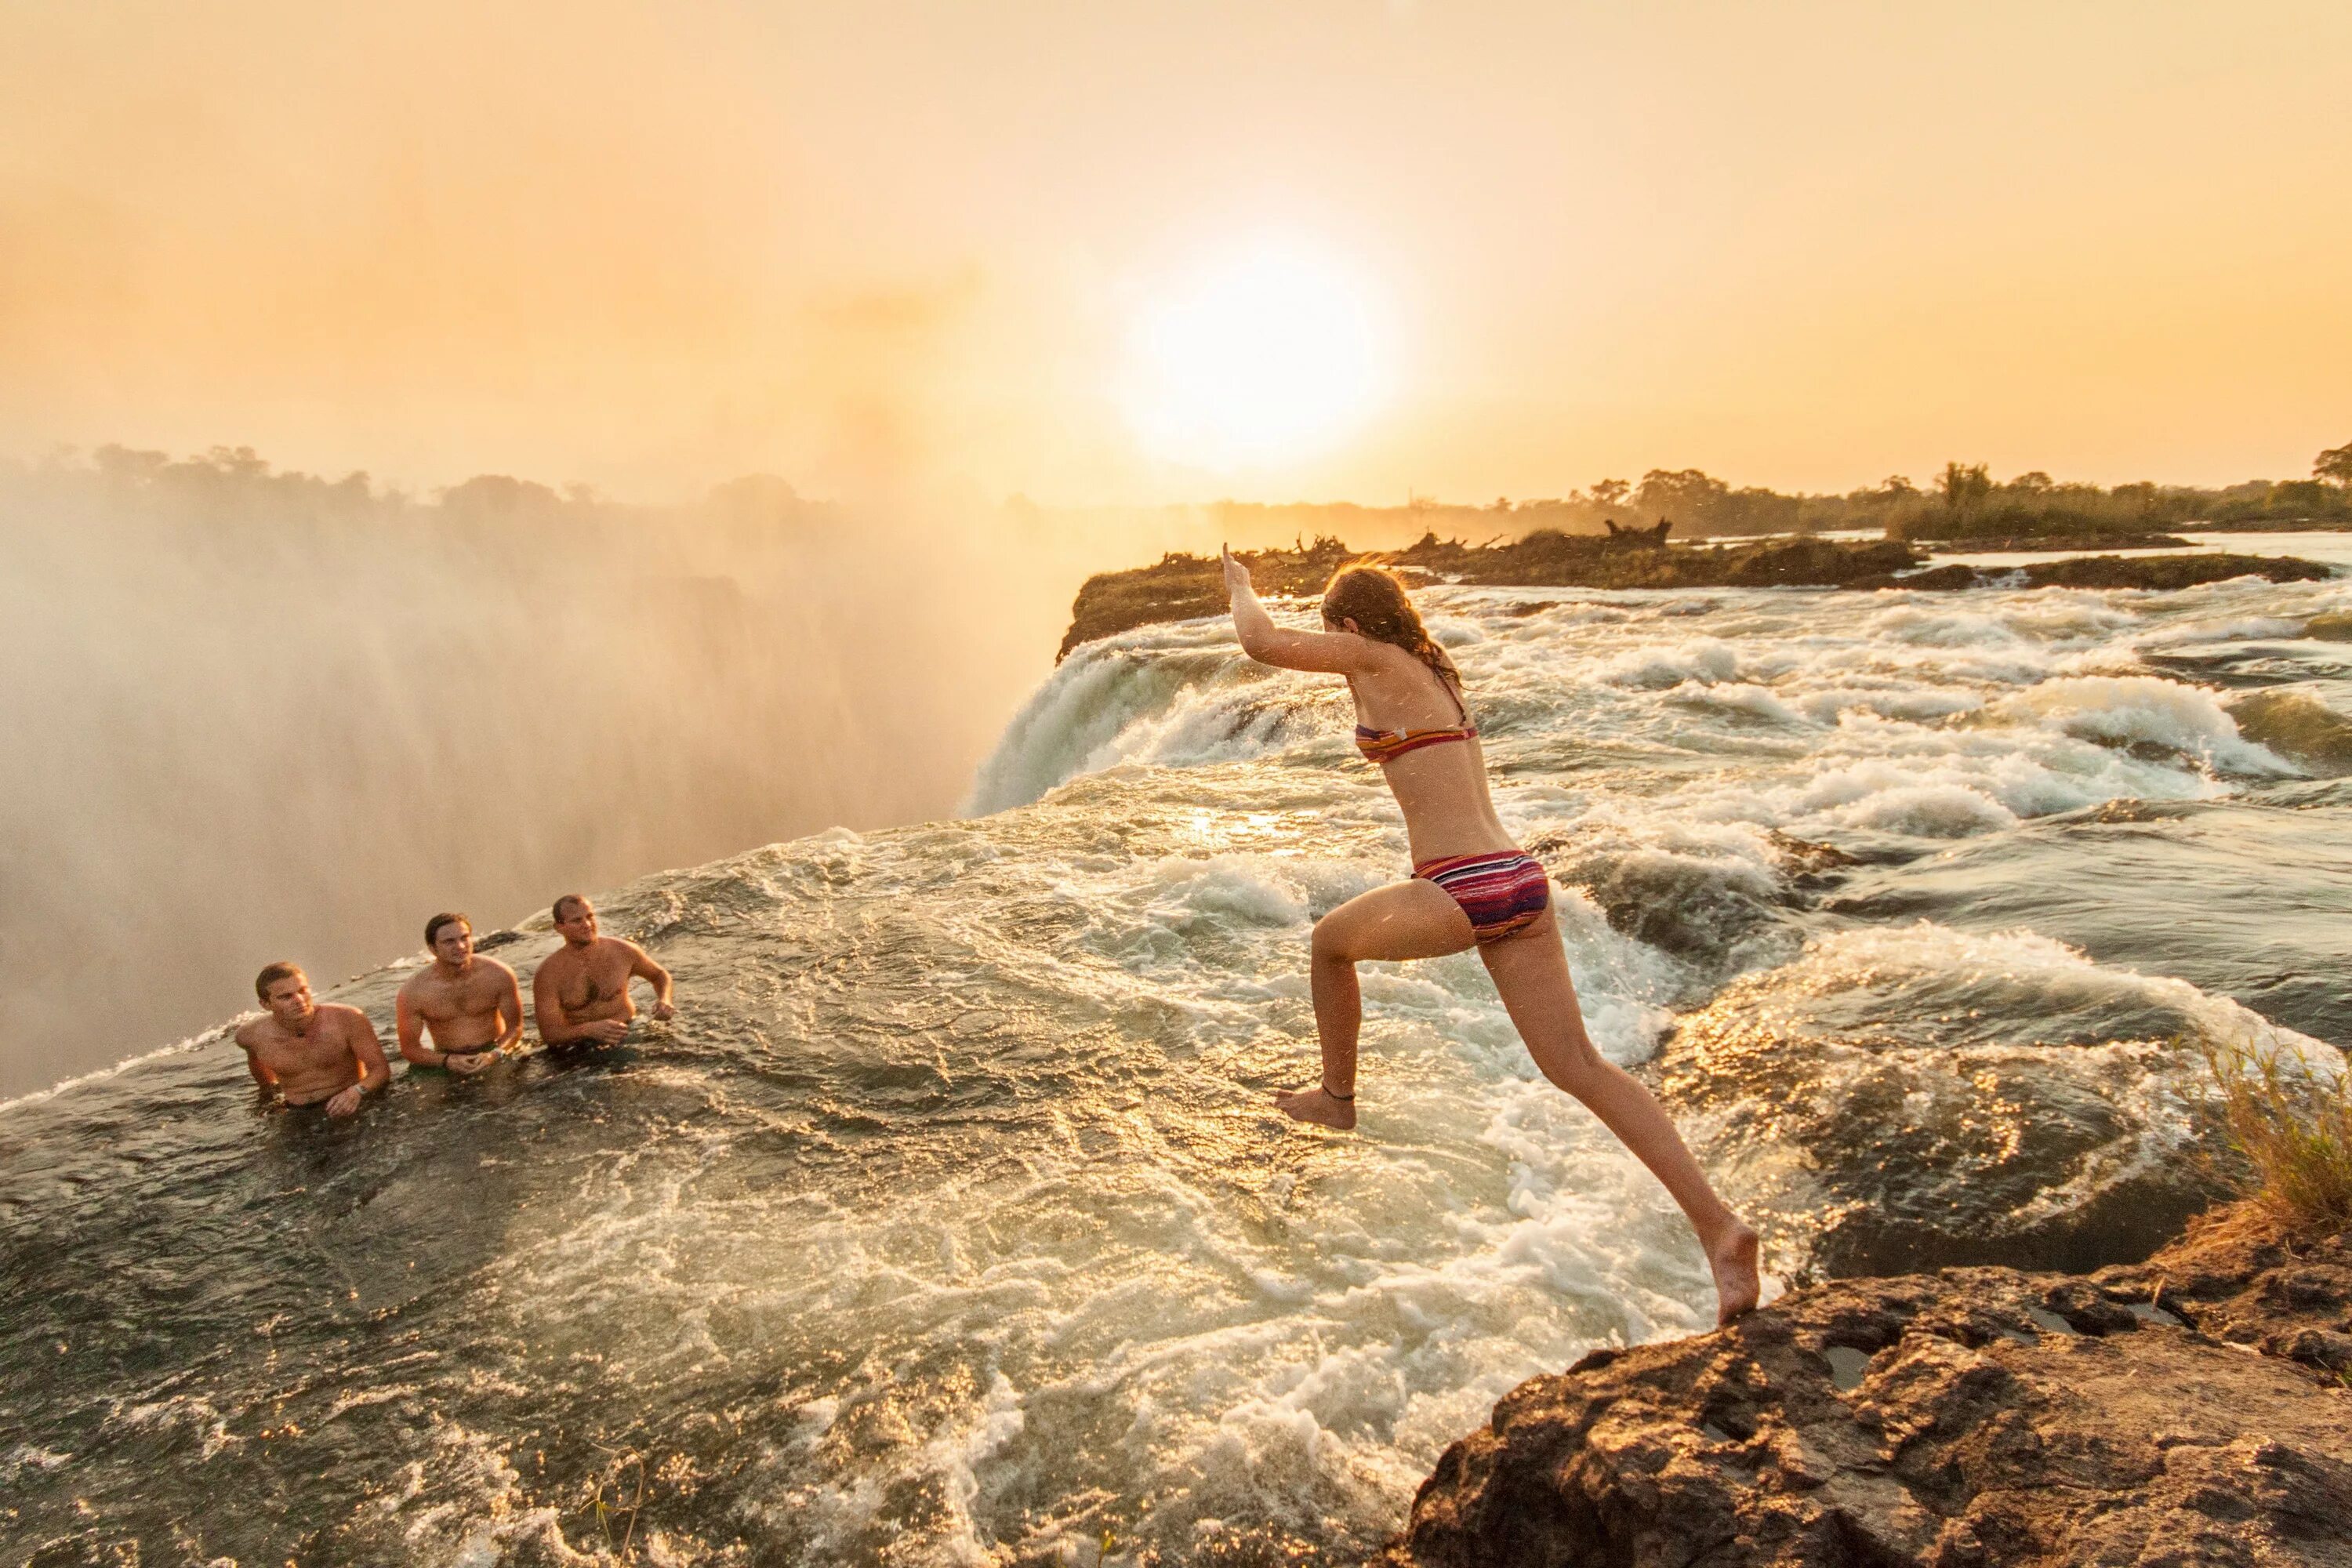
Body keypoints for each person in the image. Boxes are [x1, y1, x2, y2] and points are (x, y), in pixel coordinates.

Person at [1221, 547, 1762, 1324]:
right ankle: (1722, 1228)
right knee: (1581, 1065)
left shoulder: (1370, 654)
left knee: (1328, 943)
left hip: (1460, 883)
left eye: (1333, 631)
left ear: (1348, 622)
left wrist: (1241, 588)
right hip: (1520, 882)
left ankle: (1338, 1097)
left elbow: (1260, 642)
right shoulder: (1434, 670)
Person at [234, 962, 391, 1116]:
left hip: (352, 1103)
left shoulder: (348, 1019)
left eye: (303, 991)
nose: (299, 1000)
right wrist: (270, 1100)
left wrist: (358, 1091)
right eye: (286, 997)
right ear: (265, 1004)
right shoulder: (249, 1036)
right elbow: (261, 1073)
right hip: (297, 1113)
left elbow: (381, 1069)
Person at [532, 894, 677, 1047]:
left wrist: (664, 1000)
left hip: (630, 1031)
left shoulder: (623, 951)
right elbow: (550, 1034)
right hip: (580, 1047)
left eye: (590, 916)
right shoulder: (549, 974)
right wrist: (588, 1030)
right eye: (577, 920)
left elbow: (659, 975)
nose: (587, 925)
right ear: (559, 928)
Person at [394, 913, 524, 1074]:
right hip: (445, 1058)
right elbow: (410, 1049)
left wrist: (495, 1053)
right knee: (429, 1097)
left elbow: (515, 1028)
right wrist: (446, 1061)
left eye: (464, 938)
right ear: (433, 949)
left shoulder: (499, 975)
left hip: (493, 1050)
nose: (461, 946)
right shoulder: (413, 992)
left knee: (501, 1090)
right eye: (449, 942)